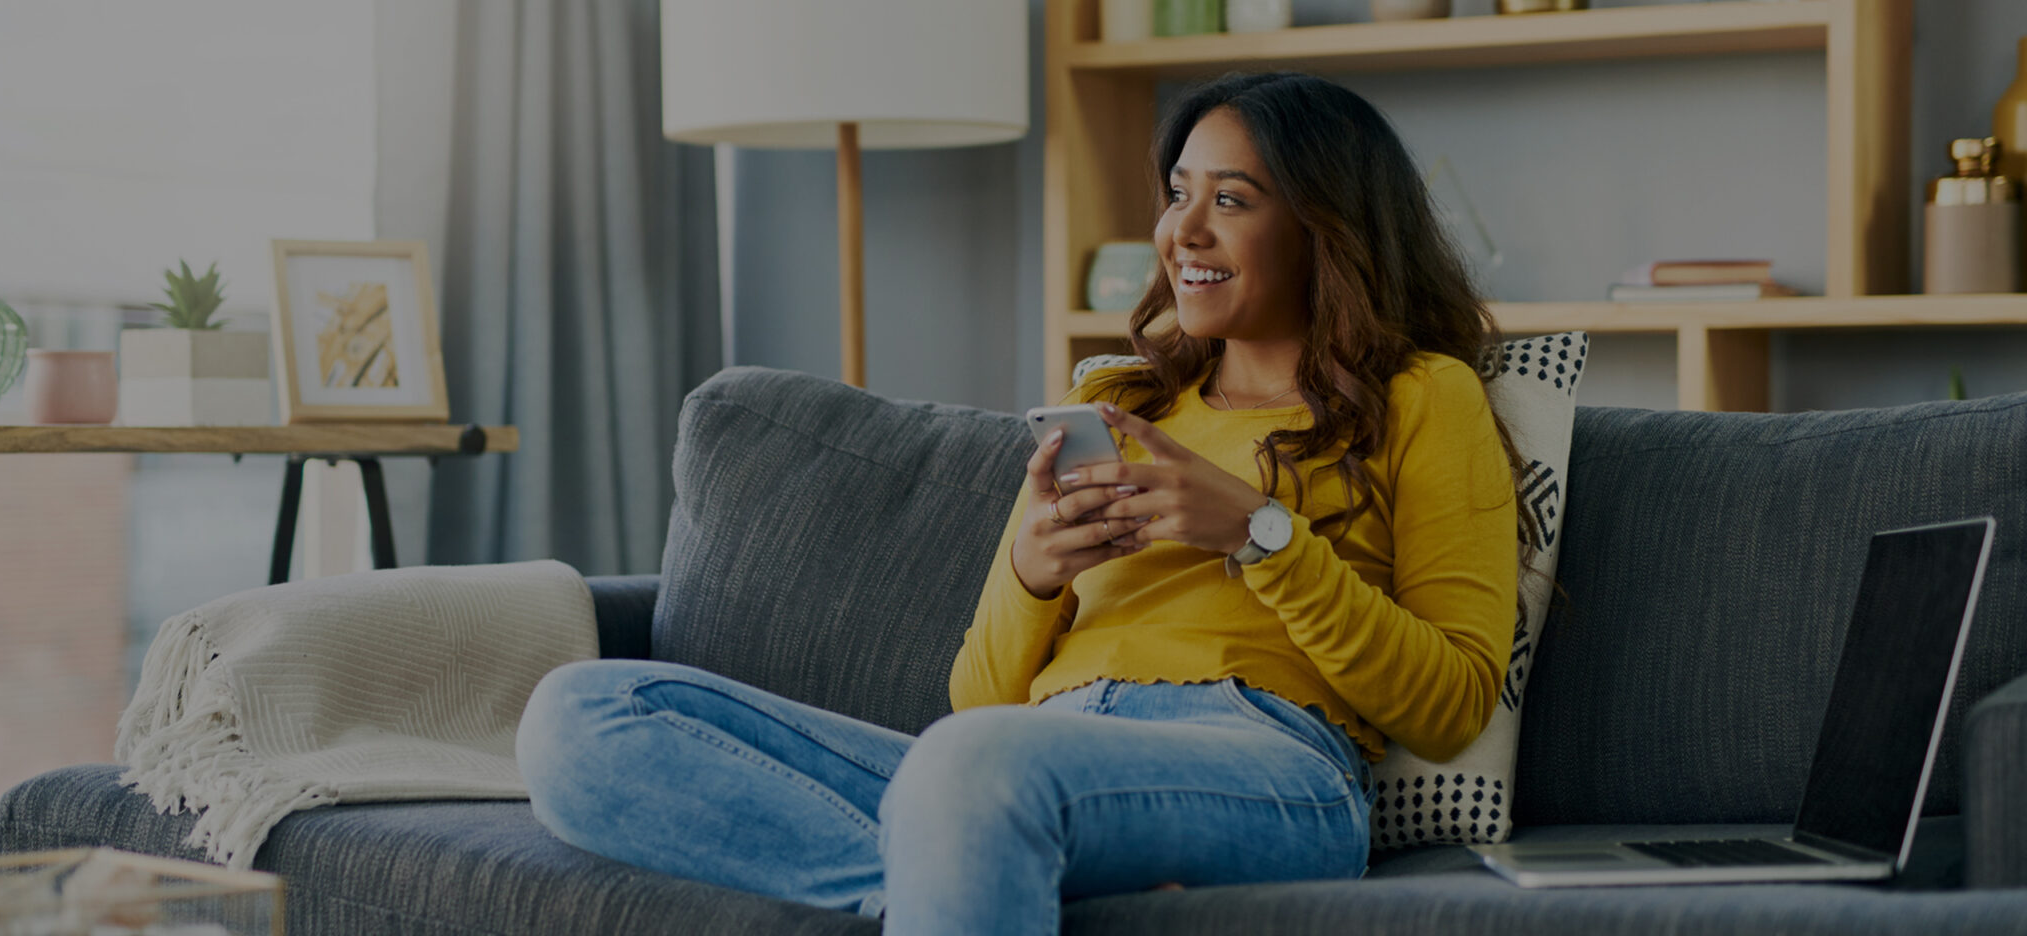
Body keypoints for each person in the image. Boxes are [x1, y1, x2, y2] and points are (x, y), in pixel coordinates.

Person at [514, 71, 1533, 935]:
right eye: (1177, 193)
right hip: (1024, 751)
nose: (1181, 230)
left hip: (1261, 760)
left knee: (972, 773)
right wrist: (1031, 574)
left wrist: (1259, 534)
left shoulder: (1420, 396)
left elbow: (1447, 707)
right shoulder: (1117, 400)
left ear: (1327, 227)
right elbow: (978, 702)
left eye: (1231, 198)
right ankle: (983, 876)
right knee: (581, 716)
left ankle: (983, 865)